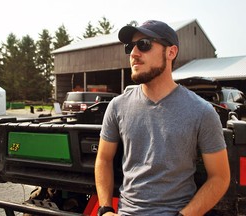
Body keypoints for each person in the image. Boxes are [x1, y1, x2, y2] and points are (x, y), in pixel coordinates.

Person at [94, 20, 230, 216]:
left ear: (171, 52)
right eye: (130, 46)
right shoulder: (117, 106)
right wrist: (105, 209)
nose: (133, 53)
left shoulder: (202, 112)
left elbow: (220, 177)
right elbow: (104, 160)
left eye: (144, 44)